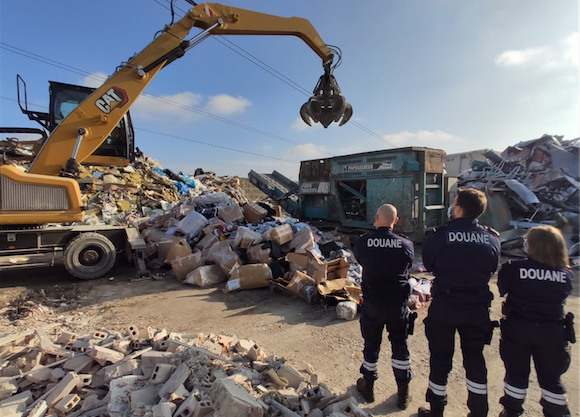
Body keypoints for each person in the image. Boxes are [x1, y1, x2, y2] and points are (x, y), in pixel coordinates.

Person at [418, 188, 501, 417]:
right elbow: (492, 267)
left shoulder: (441, 235)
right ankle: (479, 411)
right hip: (477, 307)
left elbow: (429, 264)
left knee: (441, 358)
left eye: (454, 203)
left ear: (460, 208)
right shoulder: (492, 238)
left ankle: (436, 410)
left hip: (446, 304)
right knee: (475, 358)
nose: (451, 207)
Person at [497, 226, 574, 417]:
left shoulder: (514, 269)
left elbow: (502, 289)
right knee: (551, 380)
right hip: (553, 333)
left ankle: (511, 411)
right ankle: (558, 413)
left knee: (516, 375)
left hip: (518, 330)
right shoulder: (565, 275)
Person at [352, 203, 415, 409]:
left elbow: (361, 261)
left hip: (373, 304)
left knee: (371, 346)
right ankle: (403, 394)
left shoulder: (363, 243)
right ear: (395, 221)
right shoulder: (406, 245)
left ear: (376, 218)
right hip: (397, 305)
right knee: (400, 346)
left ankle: (368, 387)